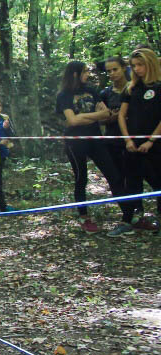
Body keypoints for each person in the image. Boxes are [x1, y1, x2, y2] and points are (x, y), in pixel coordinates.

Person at [55, 60, 133, 233]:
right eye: (84, 72)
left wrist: (84, 116)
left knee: (114, 175)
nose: (87, 74)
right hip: (75, 143)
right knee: (81, 178)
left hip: (96, 139)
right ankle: (84, 218)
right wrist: (95, 115)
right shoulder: (64, 95)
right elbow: (72, 120)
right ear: (75, 74)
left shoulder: (91, 90)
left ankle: (128, 217)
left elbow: (105, 113)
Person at [101, 56, 152, 232]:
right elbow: (102, 118)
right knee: (117, 180)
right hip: (113, 142)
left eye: (115, 69)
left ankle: (138, 216)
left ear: (124, 68)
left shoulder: (136, 88)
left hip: (135, 142)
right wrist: (109, 117)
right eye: (108, 71)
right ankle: (126, 217)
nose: (112, 74)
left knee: (135, 178)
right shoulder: (105, 94)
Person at [115, 48, 161, 236]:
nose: (137, 69)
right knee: (131, 183)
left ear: (150, 64)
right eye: (134, 66)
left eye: (140, 65)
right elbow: (121, 115)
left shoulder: (159, 86)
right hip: (133, 144)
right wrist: (127, 139)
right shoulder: (131, 88)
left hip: (155, 144)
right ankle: (129, 219)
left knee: (158, 181)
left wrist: (151, 140)